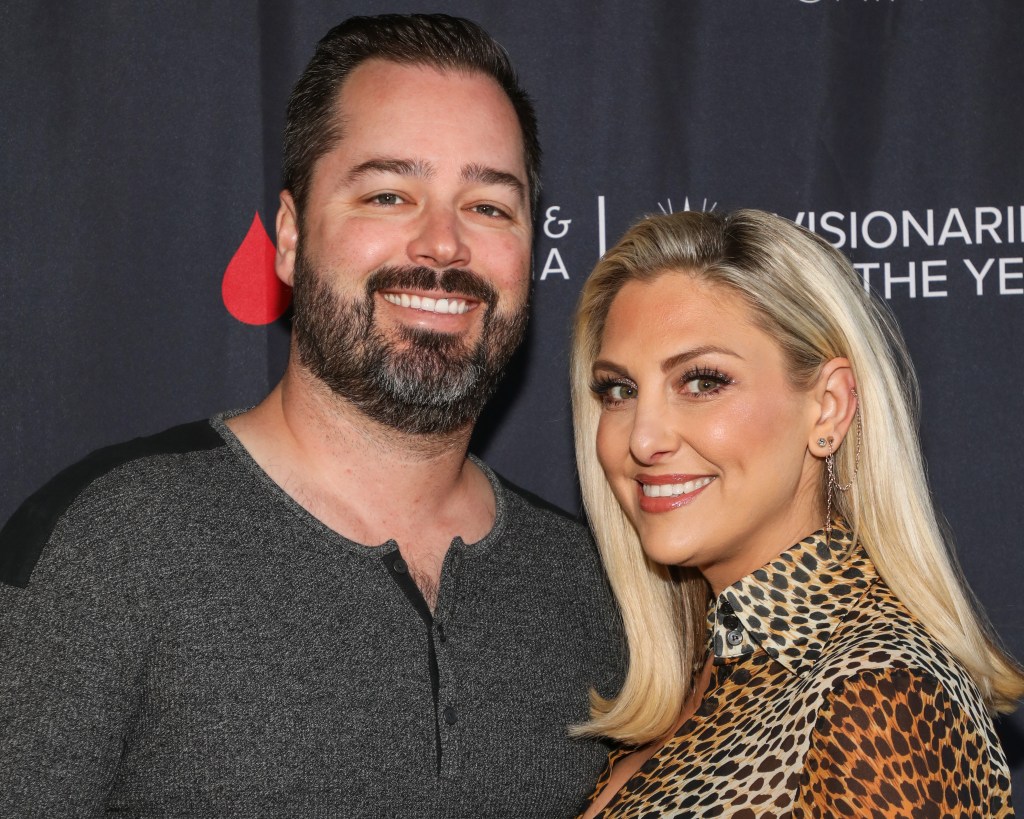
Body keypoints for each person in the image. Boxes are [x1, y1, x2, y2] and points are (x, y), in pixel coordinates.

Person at [0, 14, 621, 817]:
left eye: (489, 207)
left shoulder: (590, 588)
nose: (442, 246)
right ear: (290, 239)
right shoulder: (104, 549)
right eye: (389, 194)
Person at [569, 209, 1022, 816]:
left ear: (829, 408)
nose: (644, 438)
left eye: (702, 381)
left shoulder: (876, 692)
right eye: (618, 390)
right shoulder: (710, 674)